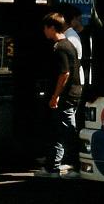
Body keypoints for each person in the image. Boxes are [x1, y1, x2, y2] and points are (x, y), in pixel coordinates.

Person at [35, 12, 82, 179]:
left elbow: (64, 74)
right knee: (58, 131)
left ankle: (76, 166)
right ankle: (52, 166)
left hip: (65, 97)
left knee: (68, 132)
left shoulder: (60, 47)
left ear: (52, 27)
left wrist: (55, 96)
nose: (44, 31)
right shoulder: (69, 45)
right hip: (72, 95)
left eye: (45, 28)